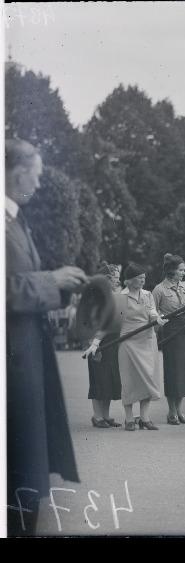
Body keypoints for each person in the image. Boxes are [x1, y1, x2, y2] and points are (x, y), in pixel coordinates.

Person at [6, 139, 85, 536]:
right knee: (17, 481)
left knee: (25, 481)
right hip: (11, 374)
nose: (37, 184)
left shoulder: (15, 219)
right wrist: (50, 280)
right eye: (35, 175)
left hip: (24, 370)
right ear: (18, 171)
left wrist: (65, 287)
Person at [117, 263, 168, 431]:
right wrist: (96, 342)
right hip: (128, 342)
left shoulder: (147, 295)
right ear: (129, 281)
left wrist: (157, 319)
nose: (142, 281)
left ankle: (145, 418)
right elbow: (112, 321)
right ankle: (129, 419)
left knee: (148, 378)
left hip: (147, 341)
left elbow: (152, 312)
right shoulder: (120, 297)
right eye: (139, 279)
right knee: (129, 380)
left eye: (144, 278)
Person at [152, 253, 185, 425]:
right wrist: (159, 321)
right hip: (171, 332)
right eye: (180, 270)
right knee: (174, 371)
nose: (183, 273)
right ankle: (171, 412)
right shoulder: (159, 289)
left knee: (184, 371)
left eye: (183, 270)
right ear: (171, 270)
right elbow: (153, 312)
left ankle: (180, 410)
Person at [83, 261, 123, 429]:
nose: (118, 281)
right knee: (99, 379)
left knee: (109, 379)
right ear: (107, 278)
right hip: (97, 342)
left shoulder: (111, 294)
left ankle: (105, 416)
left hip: (112, 340)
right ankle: (97, 416)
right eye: (115, 278)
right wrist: (93, 343)